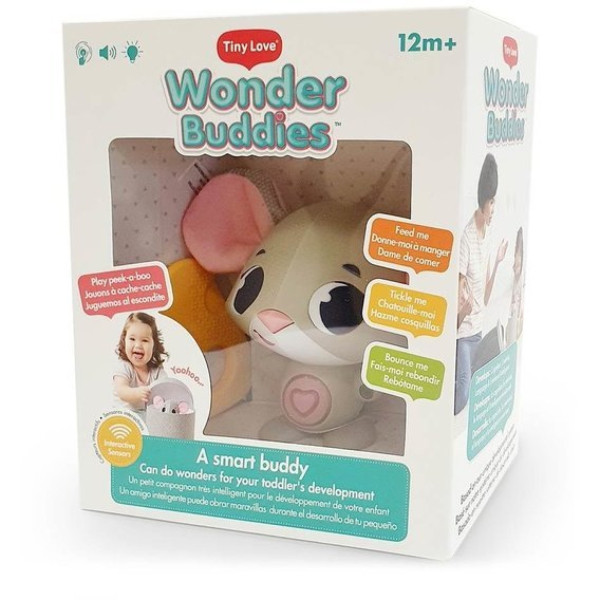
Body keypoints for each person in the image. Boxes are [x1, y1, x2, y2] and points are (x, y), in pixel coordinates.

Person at [455, 154, 507, 415]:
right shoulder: (465, 239)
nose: (494, 208)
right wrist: (462, 310)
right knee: (463, 391)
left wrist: (497, 263)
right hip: (462, 336)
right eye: (492, 201)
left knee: (481, 384)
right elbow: (455, 313)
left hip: (478, 329)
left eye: (495, 201)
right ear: (484, 201)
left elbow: (484, 298)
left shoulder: (487, 235)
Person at [113, 312, 168, 413]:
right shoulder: (124, 366)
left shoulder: (157, 371)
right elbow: (121, 390)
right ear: (124, 341)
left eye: (145, 340)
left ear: (154, 346)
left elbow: (166, 387)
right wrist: (137, 393)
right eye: (132, 339)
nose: (138, 345)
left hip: (147, 418)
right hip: (124, 416)